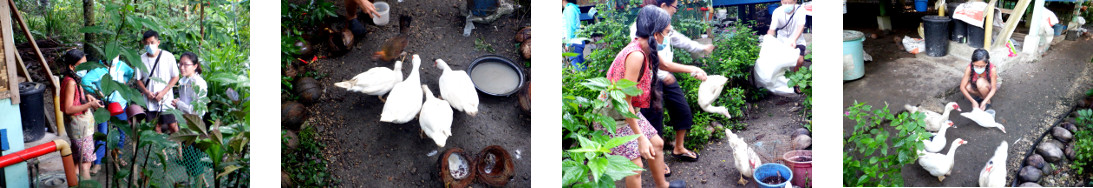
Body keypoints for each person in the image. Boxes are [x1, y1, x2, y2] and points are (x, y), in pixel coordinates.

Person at [600, 6, 708, 188]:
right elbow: (623, 102)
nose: (667, 36)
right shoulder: (636, 55)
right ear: (656, 33)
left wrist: (693, 68)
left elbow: (664, 64)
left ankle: (662, 186)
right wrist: (640, 138)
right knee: (635, 167)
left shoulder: (645, 46)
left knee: (657, 144)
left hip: (629, 111)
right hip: (613, 114)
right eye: (667, 32)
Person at [629, 0, 715, 165]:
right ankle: (657, 161)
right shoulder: (642, 28)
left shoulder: (663, 25)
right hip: (651, 78)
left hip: (665, 74)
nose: (676, 10)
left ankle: (679, 148)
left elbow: (677, 39)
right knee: (655, 119)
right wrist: (689, 69)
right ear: (663, 6)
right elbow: (655, 61)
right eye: (675, 6)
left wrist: (700, 48)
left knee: (682, 110)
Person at [59, 49, 102, 180]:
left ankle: (74, 182)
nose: (85, 68)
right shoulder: (71, 82)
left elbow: (75, 97)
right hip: (80, 129)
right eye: (82, 65)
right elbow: (68, 108)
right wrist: (90, 105)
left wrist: (87, 96)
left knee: (77, 160)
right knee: (85, 164)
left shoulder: (74, 79)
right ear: (72, 66)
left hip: (79, 128)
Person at [133, 30, 181, 134]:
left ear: (158, 42)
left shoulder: (168, 57)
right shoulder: (140, 59)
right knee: (155, 127)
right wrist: (146, 92)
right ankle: (160, 150)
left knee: (172, 125)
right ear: (143, 44)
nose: (149, 45)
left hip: (167, 99)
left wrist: (163, 92)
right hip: (149, 100)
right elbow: (138, 79)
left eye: (152, 42)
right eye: (146, 43)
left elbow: (175, 77)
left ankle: (180, 149)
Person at [767, 0, 808, 71]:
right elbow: (772, 28)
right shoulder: (777, 12)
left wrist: (794, 40)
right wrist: (769, 38)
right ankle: (784, 79)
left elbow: (801, 25)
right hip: (782, 41)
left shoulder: (801, 10)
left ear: (795, 1)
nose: (787, 5)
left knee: (800, 61)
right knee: (782, 63)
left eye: (790, 3)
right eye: (785, 3)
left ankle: (796, 77)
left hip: (797, 40)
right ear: (781, 2)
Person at [172, 52, 208, 118]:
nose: (182, 68)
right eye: (180, 64)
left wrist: (179, 104)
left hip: (193, 122)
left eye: (186, 65)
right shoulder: (183, 80)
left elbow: (198, 112)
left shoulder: (198, 83)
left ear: (195, 66)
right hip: (183, 119)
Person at [562, 0, 585, 69]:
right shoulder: (570, 8)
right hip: (575, 42)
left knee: (579, 68)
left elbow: (571, 27)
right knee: (579, 67)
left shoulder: (570, 9)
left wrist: (568, 43)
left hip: (574, 42)